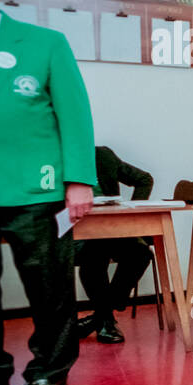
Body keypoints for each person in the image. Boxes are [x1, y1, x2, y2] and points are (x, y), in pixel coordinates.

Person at [0, 0, 96, 385]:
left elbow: (75, 113)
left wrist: (78, 181)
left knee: (47, 284)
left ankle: (49, 369)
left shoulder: (45, 42)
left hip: (37, 189)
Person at [75, 146, 154, 344]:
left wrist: (133, 213)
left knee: (141, 253)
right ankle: (106, 322)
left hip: (111, 232)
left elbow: (144, 179)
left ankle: (100, 317)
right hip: (77, 237)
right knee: (95, 254)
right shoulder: (56, 160)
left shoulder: (102, 156)